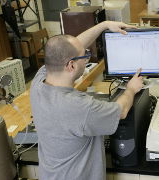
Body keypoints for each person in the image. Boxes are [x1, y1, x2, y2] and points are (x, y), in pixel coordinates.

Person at [30, 21, 143, 180]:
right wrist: (131, 88)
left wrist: (105, 25)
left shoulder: (38, 83)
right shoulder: (79, 106)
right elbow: (122, 111)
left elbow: (68, 49)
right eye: (85, 56)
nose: (87, 59)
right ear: (71, 66)